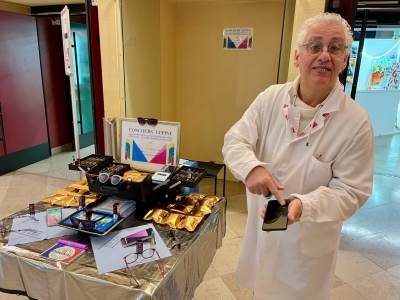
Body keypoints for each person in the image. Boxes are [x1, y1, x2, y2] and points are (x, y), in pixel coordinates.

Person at [222, 12, 374, 300]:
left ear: (344, 60)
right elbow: (235, 140)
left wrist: (305, 204)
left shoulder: (356, 121)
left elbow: (353, 191)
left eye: (335, 47)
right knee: (262, 288)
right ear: (297, 57)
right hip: (264, 228)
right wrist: (251, 167)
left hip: (308, 242)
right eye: (314, 46)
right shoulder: (270, 98)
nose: (324, 56)